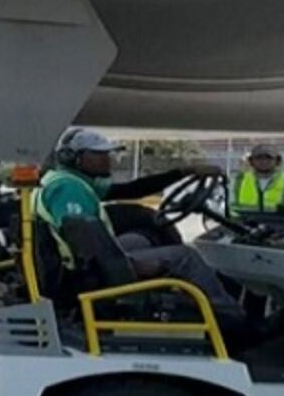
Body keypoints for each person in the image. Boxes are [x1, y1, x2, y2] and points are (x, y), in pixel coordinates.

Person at [37, 127, 245, 327]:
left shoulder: (73, 180)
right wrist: (129, 265)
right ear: (74, 158)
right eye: (99, 154)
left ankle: (224, 292)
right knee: (186, 256)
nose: (108, 159)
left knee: (146, 236)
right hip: (85, 270)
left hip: (82, 258)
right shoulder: (68, 189)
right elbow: (83, 241)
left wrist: (183, 172)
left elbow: (131, 189)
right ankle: (233, 319)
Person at [235, 143, 284, 214]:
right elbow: (229, 209)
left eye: (268, 157)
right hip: (243, 223)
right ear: (251, 161)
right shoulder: (239, 181)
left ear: (277, 161)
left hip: (280, 224)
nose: (263, 161)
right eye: (259, 157)